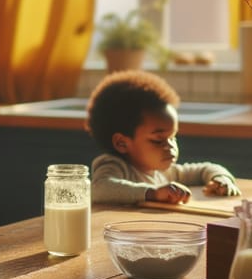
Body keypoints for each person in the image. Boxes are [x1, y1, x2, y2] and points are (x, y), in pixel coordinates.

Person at [86, 69, 241, 205]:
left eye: (173, 137)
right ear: (122, 143)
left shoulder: (164, 172)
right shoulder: (114, 166)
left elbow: (205, 169)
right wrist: (153, 193)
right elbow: (99, 188)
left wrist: (221, 179)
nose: (171, 147)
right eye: (158, 140)